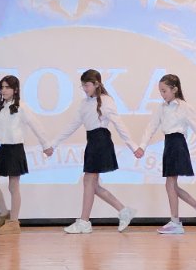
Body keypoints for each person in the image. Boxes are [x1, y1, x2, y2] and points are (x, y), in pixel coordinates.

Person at [49, 69, 137, 234]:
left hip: (101, 141)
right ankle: (124, 211)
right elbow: (72, 125)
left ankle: (84, 221)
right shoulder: (84, 103)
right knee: (92, 185)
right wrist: (53, 144)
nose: (84, 88)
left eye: (87, 85)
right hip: (92, 142)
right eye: (82, 85)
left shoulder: (107, 101)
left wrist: (133, 146)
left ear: (97, 84)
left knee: (89, 181)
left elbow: (119, 124)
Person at [133, 73, 196, 234]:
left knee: (170, 184)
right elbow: (151, 127)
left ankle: (177, 222)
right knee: (171, 185)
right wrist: (142, 146)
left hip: (178, 144)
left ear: (175, 89)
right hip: (169, 144)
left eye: (164, 91)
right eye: (160, 91)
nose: (162, 94)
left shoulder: (184, 107)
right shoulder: (161, 108)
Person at [0, 75, 52, 233]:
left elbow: (36, 125)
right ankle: (4, 214)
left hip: (15, 150)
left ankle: (14, 222)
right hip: (4, 150)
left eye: (7, 87)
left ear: (15, 89)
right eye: (2, 87)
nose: (4, 90)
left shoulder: (22, 107)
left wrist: (46, 145)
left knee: (13, 186)